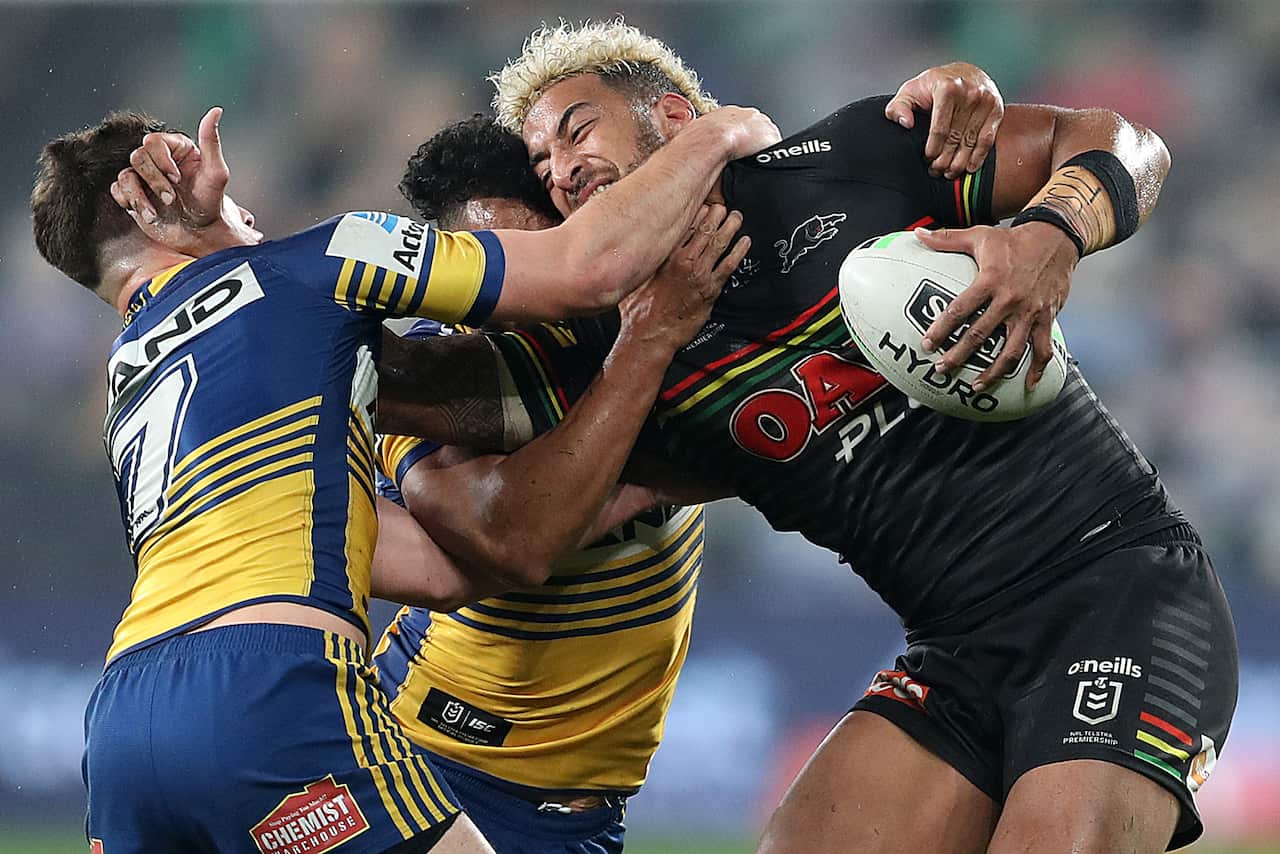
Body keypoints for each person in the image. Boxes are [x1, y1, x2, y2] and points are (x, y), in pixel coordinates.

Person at [113, 60, 1005, 854]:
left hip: (585, 810)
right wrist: (650, 391)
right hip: (434, 750)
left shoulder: (667, 324)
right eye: (482, 274)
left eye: (521, 254)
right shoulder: (426, 378)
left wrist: (955, 96)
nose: (503, 306)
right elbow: (509, 539)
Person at [450, 21, 1228, 854]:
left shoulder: (853, 156)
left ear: (675, 117)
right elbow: (507, 517)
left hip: (1118, 589)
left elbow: (1126, 143)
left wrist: (1051, 234)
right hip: (955, 652)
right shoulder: (632, 357)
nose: (563, 171)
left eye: (577, 131)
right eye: (544, 167)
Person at [31, 101, 768, 852]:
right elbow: (590, 268)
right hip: (272, 694)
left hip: (124, 718)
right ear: (158, 210)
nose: (239, 201)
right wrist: (721, 132)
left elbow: (436, 570)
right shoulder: (325, 268)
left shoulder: (134, 381)